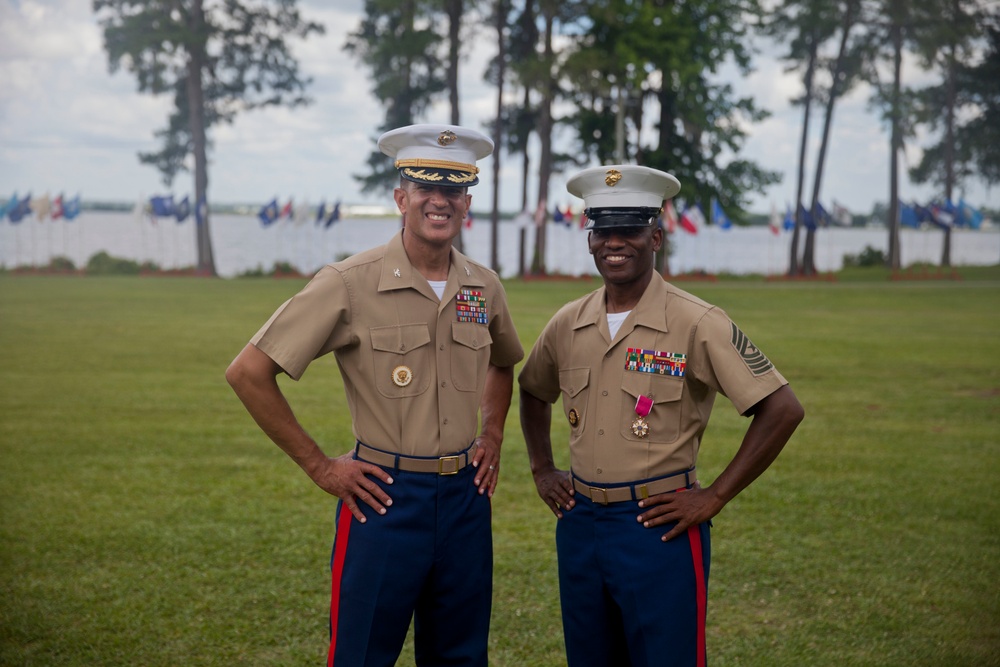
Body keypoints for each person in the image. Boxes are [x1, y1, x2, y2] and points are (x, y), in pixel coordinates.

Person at [226, 124, 524, 667]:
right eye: (425, 187)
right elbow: (248, 372)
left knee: (461, 656)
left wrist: (494, 432)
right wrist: (320, 467)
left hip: (464, 502)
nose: (440, 200)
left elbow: (503, 361)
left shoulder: (484, 286)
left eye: (453, 189)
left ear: (467, 203)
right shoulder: (349, 282)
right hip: (384, 499)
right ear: (401, 198)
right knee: (361, 654)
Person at [517, 164, 804, 667]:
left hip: (657, 526)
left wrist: (714, 495)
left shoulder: (696, 320)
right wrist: (542, 468)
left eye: (629, 229)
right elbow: (533, 390)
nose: (615, 242)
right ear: (589, 240)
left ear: (656, 236)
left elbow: (781, 408)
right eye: (603, 230)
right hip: (581, 524)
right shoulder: (569, 322)